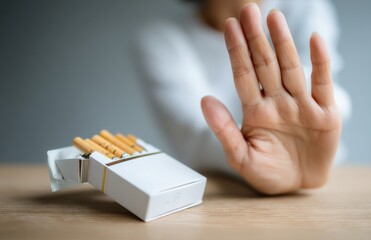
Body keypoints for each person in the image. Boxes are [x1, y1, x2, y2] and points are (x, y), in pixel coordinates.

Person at [138, 0, 351, 194]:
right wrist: (261, 159)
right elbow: (194, 138)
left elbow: (328, 93)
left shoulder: (305, 7)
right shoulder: (162, 39)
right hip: (222, 193)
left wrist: (329, 108)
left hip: (326, 186)